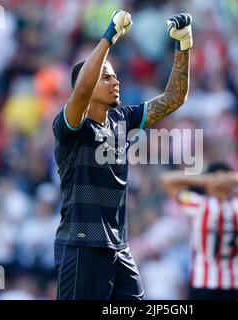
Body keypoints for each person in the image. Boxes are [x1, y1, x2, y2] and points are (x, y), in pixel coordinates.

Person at [52, 10, 193, 300]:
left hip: (118, 246)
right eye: (106, 77)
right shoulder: (70, 128)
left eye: (115, 76)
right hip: (82, 245)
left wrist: (183, 45)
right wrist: (108, 38)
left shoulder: (122, 120)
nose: (115, 81)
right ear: (88, 85)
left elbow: (173, 99)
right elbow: (79, 94)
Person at [161, 163, 238, 300]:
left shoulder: (200, 205)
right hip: (233, 284)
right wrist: (234, 179)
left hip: (203, 282)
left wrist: (205, 180)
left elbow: (167, 180)